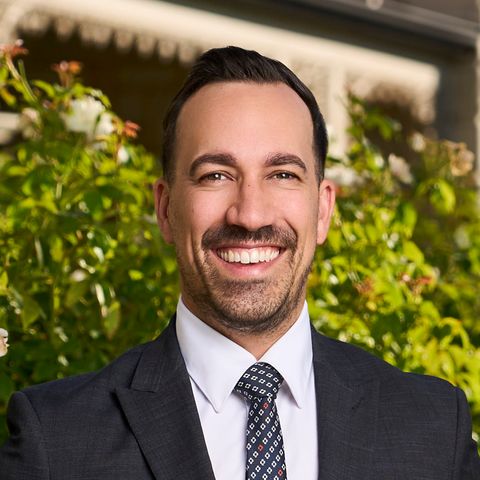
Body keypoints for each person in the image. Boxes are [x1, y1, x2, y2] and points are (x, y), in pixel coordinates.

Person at [1, 46, 479, 480]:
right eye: (216, 175)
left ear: (323, 210)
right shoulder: (58, 440)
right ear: (165, 209)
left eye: (283, 174)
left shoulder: (434, 429)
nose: (250, 215)